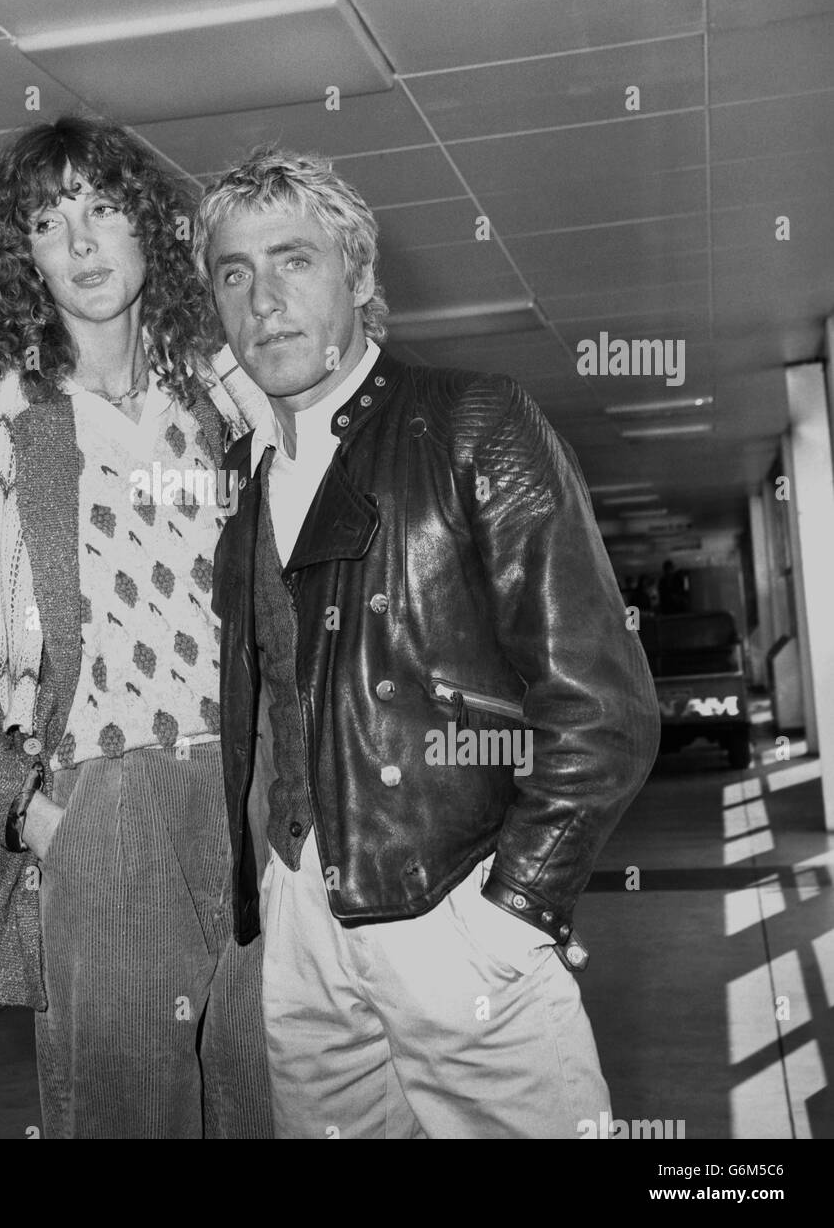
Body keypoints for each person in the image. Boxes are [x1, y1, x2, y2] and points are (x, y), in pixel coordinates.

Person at [195, 147, 661, 1138]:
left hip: (454, 902)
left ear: (360, 276)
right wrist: (277, 900)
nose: (262, 298)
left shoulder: (468, 421)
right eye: (233, 272)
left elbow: (601, 705)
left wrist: (511, 912)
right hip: (302, 921)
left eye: (293, 260)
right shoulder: (243, 480)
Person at [0, 115, 272, 1138]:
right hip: (102, 807)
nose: (84, 242)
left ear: (148, 224)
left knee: (272, 1103)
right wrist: (33, 814)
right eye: (50, 221)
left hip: (254, 796)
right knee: (127, 1117)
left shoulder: (228, 402)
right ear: (24, 256)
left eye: (104, 208)